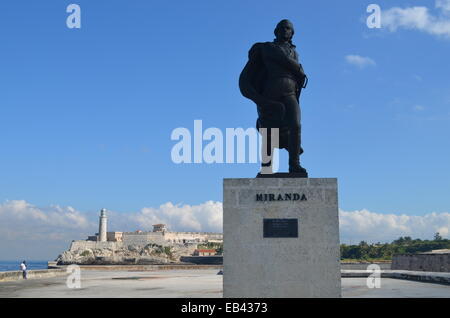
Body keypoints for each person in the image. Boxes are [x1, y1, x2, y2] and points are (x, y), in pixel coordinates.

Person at [239, 19, 308, 175]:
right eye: (282, 28)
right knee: (269, 130)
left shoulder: (294, 52)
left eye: (288, 28)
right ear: (276, 31)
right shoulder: (267, 48)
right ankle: (267, 167)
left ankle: (294, 165)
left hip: (290, 93)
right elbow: (248, 75)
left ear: (292, 34)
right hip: (272, 91)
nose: (285, 30)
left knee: (295, 126)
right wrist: (299, 68)